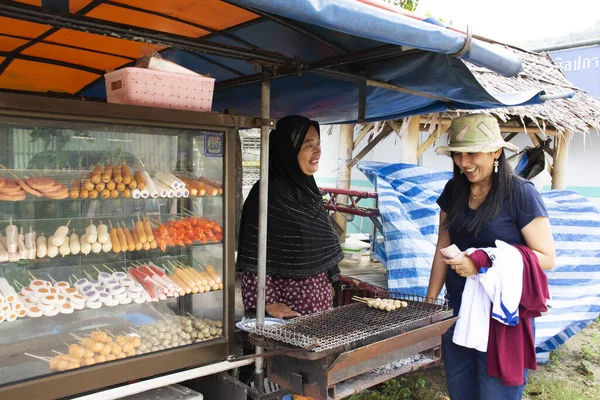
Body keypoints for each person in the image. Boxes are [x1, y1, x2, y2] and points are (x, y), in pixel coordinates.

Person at [426, 114, 555, 400]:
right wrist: (430, 302)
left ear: (496, 151)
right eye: (458, 155)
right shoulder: (453, 190)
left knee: (497, 393)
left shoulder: (521, 193)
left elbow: (546, 257)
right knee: (461, 391)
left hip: (502, 316)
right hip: (458, 308)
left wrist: (483, 260)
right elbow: (442, 246)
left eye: (472, 153)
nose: (464, 163)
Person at [237, 115, 344, 319]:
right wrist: (267, 302)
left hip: (320, 308)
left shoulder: (309, 191)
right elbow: (254, 254)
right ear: (288, 151)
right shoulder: (266, 194)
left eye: (319, 144)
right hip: (285, 313)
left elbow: (321, 242)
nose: (318, 151)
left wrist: (331, 281)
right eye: (308, 145)